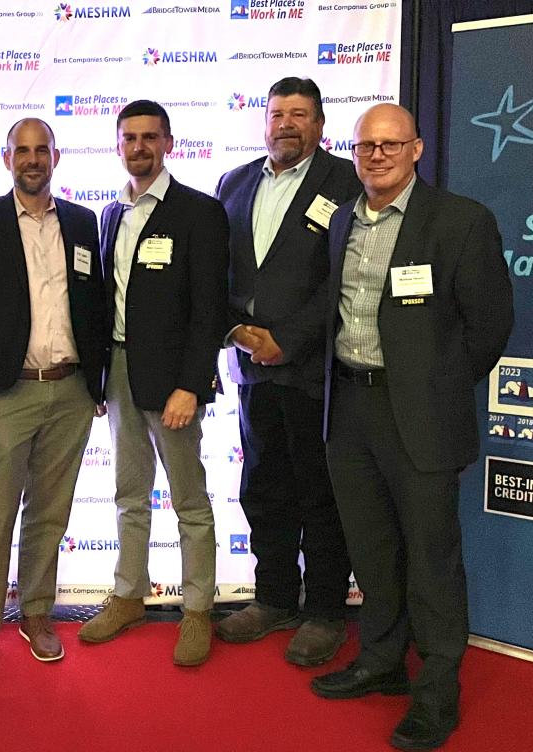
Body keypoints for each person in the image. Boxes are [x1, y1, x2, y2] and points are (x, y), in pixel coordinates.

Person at [310, 104, 513, 751]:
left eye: (390, 144)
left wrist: (436, 386)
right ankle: (382, 661)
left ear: (417, 149)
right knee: (372, 550)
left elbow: (490, 326)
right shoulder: (341, 219)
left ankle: (437, 693)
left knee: (431, 559)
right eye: (366, 146)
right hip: (350, 409)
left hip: (422, 416)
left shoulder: (460, 221)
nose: (377, 155)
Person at [77, 100, 229, 666]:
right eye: (129, 138)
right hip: (118, 372)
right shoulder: (110, 214)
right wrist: (97, 379)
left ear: (168, 142)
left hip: (173, 381)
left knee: (189, 499)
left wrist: (191, 384)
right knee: (129, 493)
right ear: (118, 145)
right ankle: (128, 595)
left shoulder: (198, 212)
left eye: (149, 137)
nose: (139, 147)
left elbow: (209, 308)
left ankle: (197, 610)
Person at [214, 77, 360, 666]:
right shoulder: (234, 183)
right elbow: (215, 272)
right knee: (264, 489)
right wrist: (236, 330)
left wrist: (288, 341)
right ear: (265, 122)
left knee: (319, 493)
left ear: (320, 125)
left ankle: (324, 610)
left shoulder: (346, 182)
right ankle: (273, 598)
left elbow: (345, 277)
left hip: (314, 372)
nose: (287, 125)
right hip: (252, 369)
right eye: (278, 114)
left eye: (300, 115)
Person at [0, 118, 105, 671]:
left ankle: (37, 613)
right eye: (23, 150)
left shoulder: (84, 222)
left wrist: (97, 382)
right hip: (5, 393)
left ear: (56, 158)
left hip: (71, 390)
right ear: (7, 158)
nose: (33, 159)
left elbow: (95, 302)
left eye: (42, 150)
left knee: (49, 514)